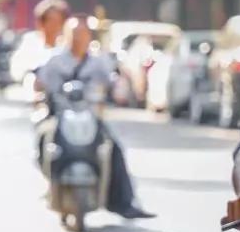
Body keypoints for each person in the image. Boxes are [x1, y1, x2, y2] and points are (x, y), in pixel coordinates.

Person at [36, 14, 155, 219]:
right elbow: (38, 83)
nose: (78, 38)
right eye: (74, 34)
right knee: (42, 140)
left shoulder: (99, 63)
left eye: (82, 34)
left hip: (91, 118)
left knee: (113, 149)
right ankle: (51, 184)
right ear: (66, 36)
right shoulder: (54, 61)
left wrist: (119, 91)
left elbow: (114, 84)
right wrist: (38, 96)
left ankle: (123, 202)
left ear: (89, 37)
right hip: (59, 119)